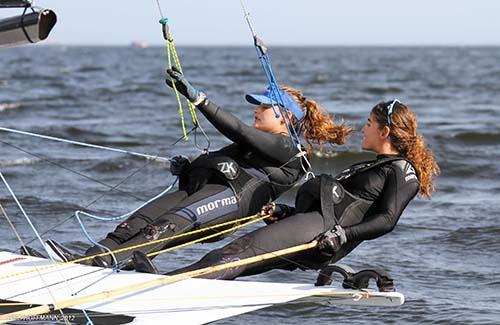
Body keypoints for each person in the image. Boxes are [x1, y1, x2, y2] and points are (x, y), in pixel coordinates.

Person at [40, 67, 352, 268]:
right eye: (257, 105)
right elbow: (228, 158)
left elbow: (239, 131)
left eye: (263, 106)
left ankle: (103, 265)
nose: (256, 110)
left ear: (284, 118)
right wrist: (188, 170)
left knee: (160, 228)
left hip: (230, 204)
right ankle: (85, 261)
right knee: (135, 223)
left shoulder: (289, 148)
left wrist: (199, 99)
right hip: (201, 191)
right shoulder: (255, 143)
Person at [132, 99, 440, 279]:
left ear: (385, 131)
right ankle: (170, 284)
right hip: (315, 226)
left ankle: (164, 284)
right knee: (241, 259)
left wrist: (344, 235)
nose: (364, 128)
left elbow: (387, 219)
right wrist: (286, 212)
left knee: (236, 252)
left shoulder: (402, 170)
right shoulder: (375, 165)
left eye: (369, 123)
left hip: (325, 235)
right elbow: (346, 204)